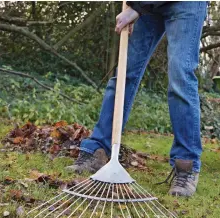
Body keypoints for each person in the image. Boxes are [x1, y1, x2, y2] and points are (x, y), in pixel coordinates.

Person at [66, 1, 208, 197]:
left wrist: (137, 8)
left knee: (180, 76)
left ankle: (186, 166)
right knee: (125, 73)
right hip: (148, 5)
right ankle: (98, 150)